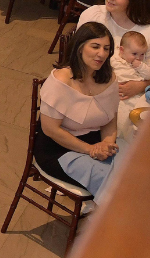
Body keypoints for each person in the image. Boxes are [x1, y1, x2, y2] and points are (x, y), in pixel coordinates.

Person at [38, 22, 122, 199]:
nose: (102, 54)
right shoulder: (60, 82)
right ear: (80, 48)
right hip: (59, 149)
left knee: (138, 166)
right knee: (114, 181)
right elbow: (50, 130)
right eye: (95, 46)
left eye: (106, 48)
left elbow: (110, 118)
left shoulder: (109, 78)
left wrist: (106, 144)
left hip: (95, 141)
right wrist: (90, 150)